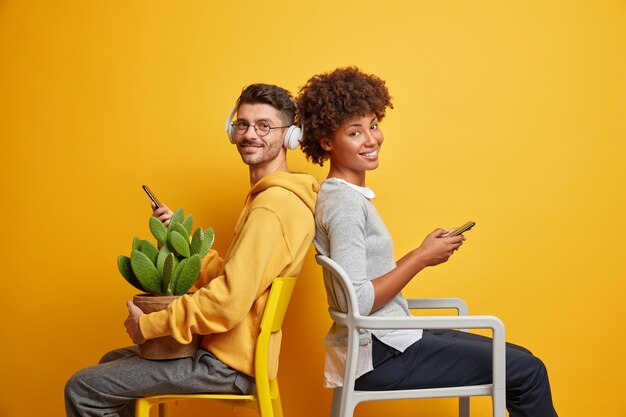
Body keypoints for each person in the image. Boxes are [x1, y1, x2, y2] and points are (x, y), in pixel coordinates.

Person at [296, 67, 558, 417]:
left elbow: (361, 280)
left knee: (522, 361)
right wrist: (420, 257)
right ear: (327, 142)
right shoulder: (344, 204)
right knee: (528, 372)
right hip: (381, 354)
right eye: (354, 132)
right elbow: (357, 300)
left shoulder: (346, 196)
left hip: (388, 340)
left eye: (373, 125)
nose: (371, 140)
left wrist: (421, 253)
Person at [65, 83, 319, 417]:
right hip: (226, 353)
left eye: (264, 126)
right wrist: (182, 241)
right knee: (110, 365)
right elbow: (235, 280)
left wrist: (151, 325)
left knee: (82, 388)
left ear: (289, 136)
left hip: (224, 366)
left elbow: (228, 302)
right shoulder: (270, 199)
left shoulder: (271, 208)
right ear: (232, 131)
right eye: (242, 124)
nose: (249, 134)